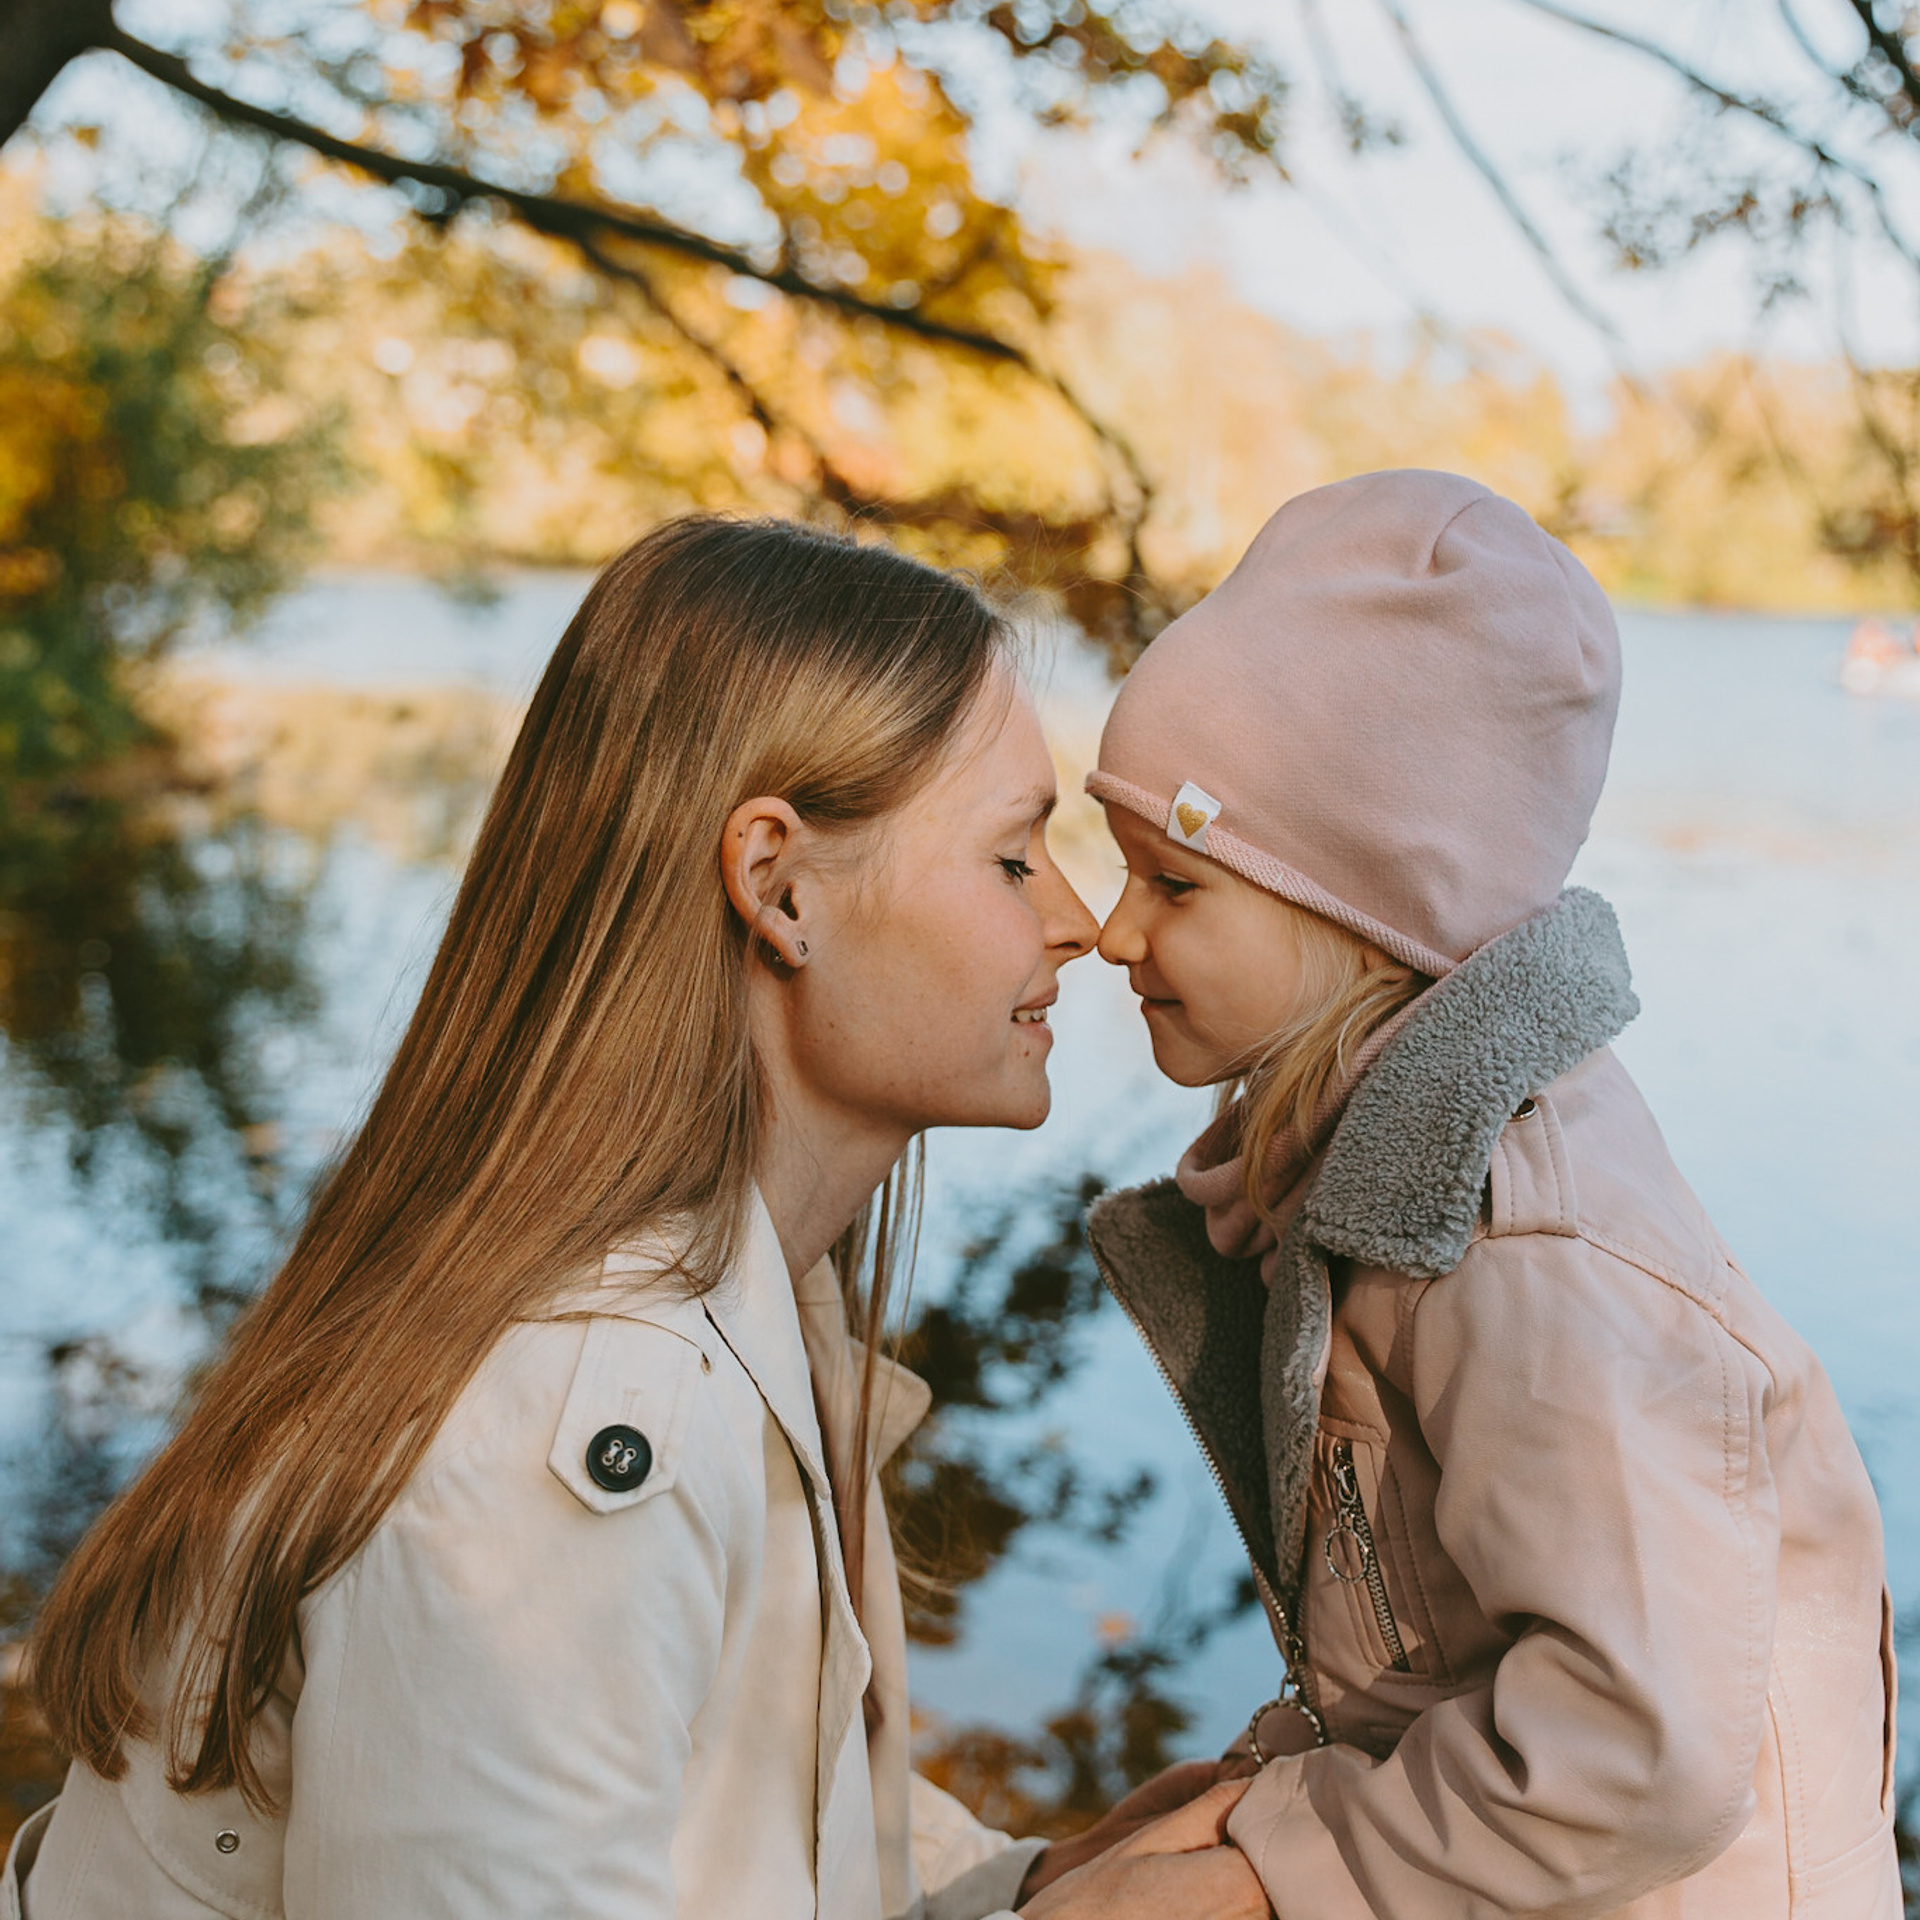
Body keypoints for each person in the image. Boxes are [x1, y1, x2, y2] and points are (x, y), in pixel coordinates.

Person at [9, 517, 1266, 1920]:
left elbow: (730, 1828)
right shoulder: (562, 1430)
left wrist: (1033, 1886)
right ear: (778, 885)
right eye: (1014, 858)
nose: (1082, 923)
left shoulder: (749, 1298)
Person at [1082, 470, 1901, 1917]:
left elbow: (1641, 1750)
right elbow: (1437, 1653)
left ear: (1359, 906)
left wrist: (1272, 1881)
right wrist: (1256, 1795)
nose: (1110, 930)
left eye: (1175, 883)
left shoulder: (1524, 1246)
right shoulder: (1367, 1172)